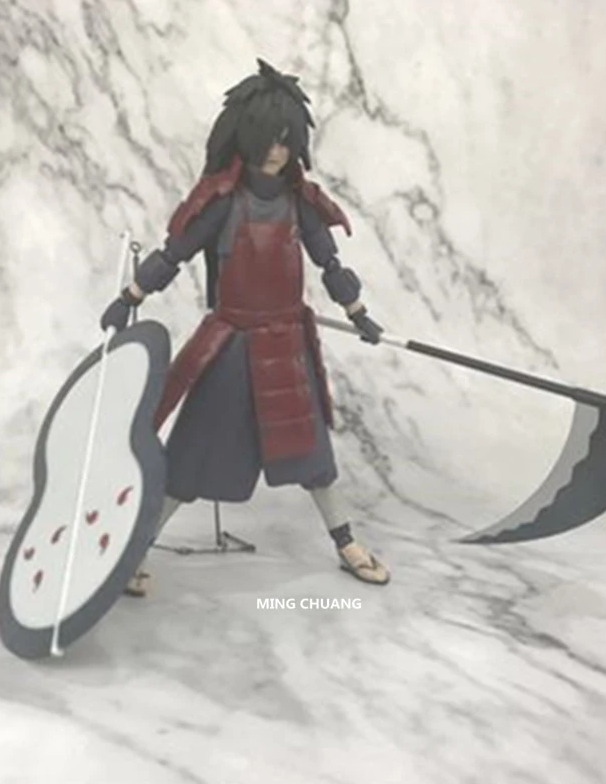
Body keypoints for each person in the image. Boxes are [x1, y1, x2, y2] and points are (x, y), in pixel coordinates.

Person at [101, 59, 390, 596]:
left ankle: (346, 541)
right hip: (232, 347)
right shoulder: (221, 202)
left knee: (313, 455)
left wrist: (358, 313)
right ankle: (135, 551)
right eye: (267, 138)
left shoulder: (301, 202)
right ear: (245, 136)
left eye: (285, 139)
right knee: (192, 456)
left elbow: (330, 264)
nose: (276, 150)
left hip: (287, 345)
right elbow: (173, 254)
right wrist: (129, 297)